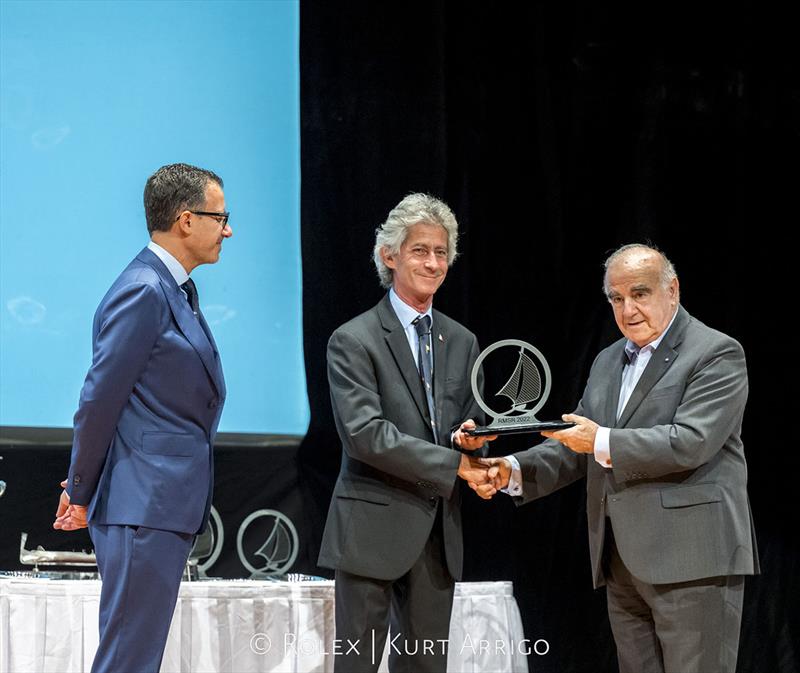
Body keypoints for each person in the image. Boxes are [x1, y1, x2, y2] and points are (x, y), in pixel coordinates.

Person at [472, 243, 758, 673]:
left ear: (673, 290)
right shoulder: (608, 360)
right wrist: (511, 470)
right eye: (616, 298)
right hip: (621, 562)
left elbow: (691, 441)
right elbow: (576, 444)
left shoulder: (715, 353)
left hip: (692, 563)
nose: (628, 309)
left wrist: (601, 440)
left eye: (640, 294)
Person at [53, 163, 232, 673]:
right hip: (142, 504)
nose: (228, 229)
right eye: (220, 217)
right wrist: (80, 489)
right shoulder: (144, 289)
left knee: (137, 658)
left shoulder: (170, 289)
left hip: (157, 503)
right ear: (185, 220)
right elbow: (99, 400)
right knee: (128, 660)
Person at [318, 193, 495, 672]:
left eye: (441, 252)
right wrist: (455, 464)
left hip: (438, 534)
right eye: (420, 250)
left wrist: (472, 438)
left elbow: (464, 418)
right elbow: (365, 434)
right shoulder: (353, 340)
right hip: (370, 531)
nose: (433, 262)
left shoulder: (462, 340)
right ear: (389, 255)